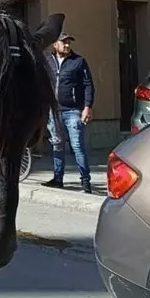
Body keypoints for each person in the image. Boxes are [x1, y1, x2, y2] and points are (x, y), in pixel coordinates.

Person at [43, 32, 95, 194]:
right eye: (63, 42)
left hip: (73, 110)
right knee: (57, 145)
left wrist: (87, 107)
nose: (67, 45)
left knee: (77, 146)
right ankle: (58, 179)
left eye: (68, 43)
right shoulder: (47, 61)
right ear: (55, 44)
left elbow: (88, 85)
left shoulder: (78, 62)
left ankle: (85, 182)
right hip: (53, 110)